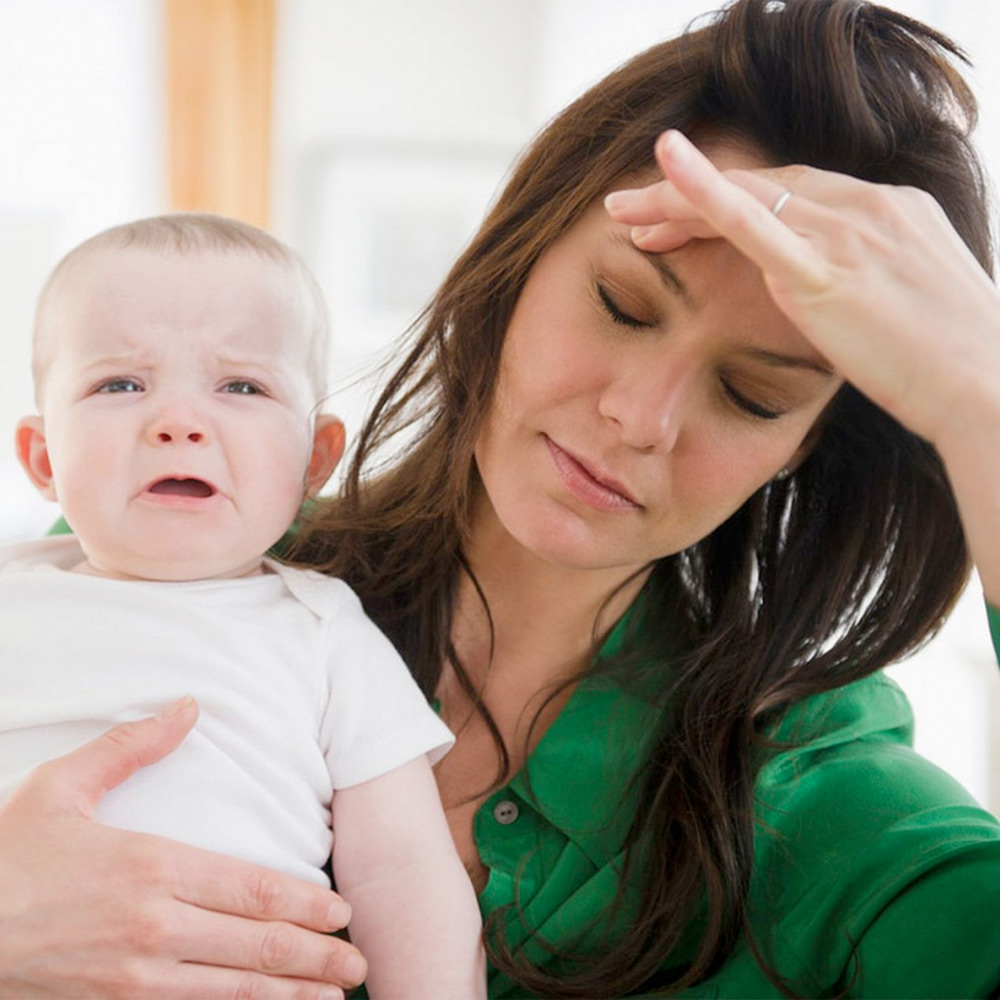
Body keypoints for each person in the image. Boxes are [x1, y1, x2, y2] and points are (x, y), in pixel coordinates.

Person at [3, 0, 1000, 996]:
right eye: (622, 305)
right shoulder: (153, 561)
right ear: (514, 260)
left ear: (803, 446)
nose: (638, 416)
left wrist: (983, 396)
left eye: (754, 394)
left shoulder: (826, 805)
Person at [0, 213, 485, 1000]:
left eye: (242, 386)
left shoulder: (325, 630)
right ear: (43, 456)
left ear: (315, 457)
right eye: (120, 384)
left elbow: (404, 870)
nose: (179, 423)